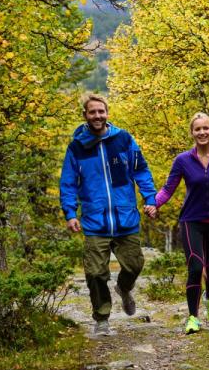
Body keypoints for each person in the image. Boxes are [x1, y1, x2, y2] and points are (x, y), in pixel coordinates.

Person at [59, 93, 157, 336]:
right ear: (85, 115)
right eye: (92, 112)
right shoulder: (77, 147)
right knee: (94, 273)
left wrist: (150, 199)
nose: (97, 116)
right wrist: (70, 213)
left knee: (135, 265)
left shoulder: (123, 139)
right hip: (95, 220)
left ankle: (124, 289)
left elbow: (141, 170)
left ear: (107, 113)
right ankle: (102, 317)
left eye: (101, 112)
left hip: (126, 218)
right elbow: (68, 183)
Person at [147, 112, 209, 335]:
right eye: (197, 129)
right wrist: (155, 204)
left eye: (206, 128)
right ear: (192, 133)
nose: (202, 132)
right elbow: (168, 188)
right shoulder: (182, 160)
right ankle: (193, 317)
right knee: (194, 267)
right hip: (191, 220)